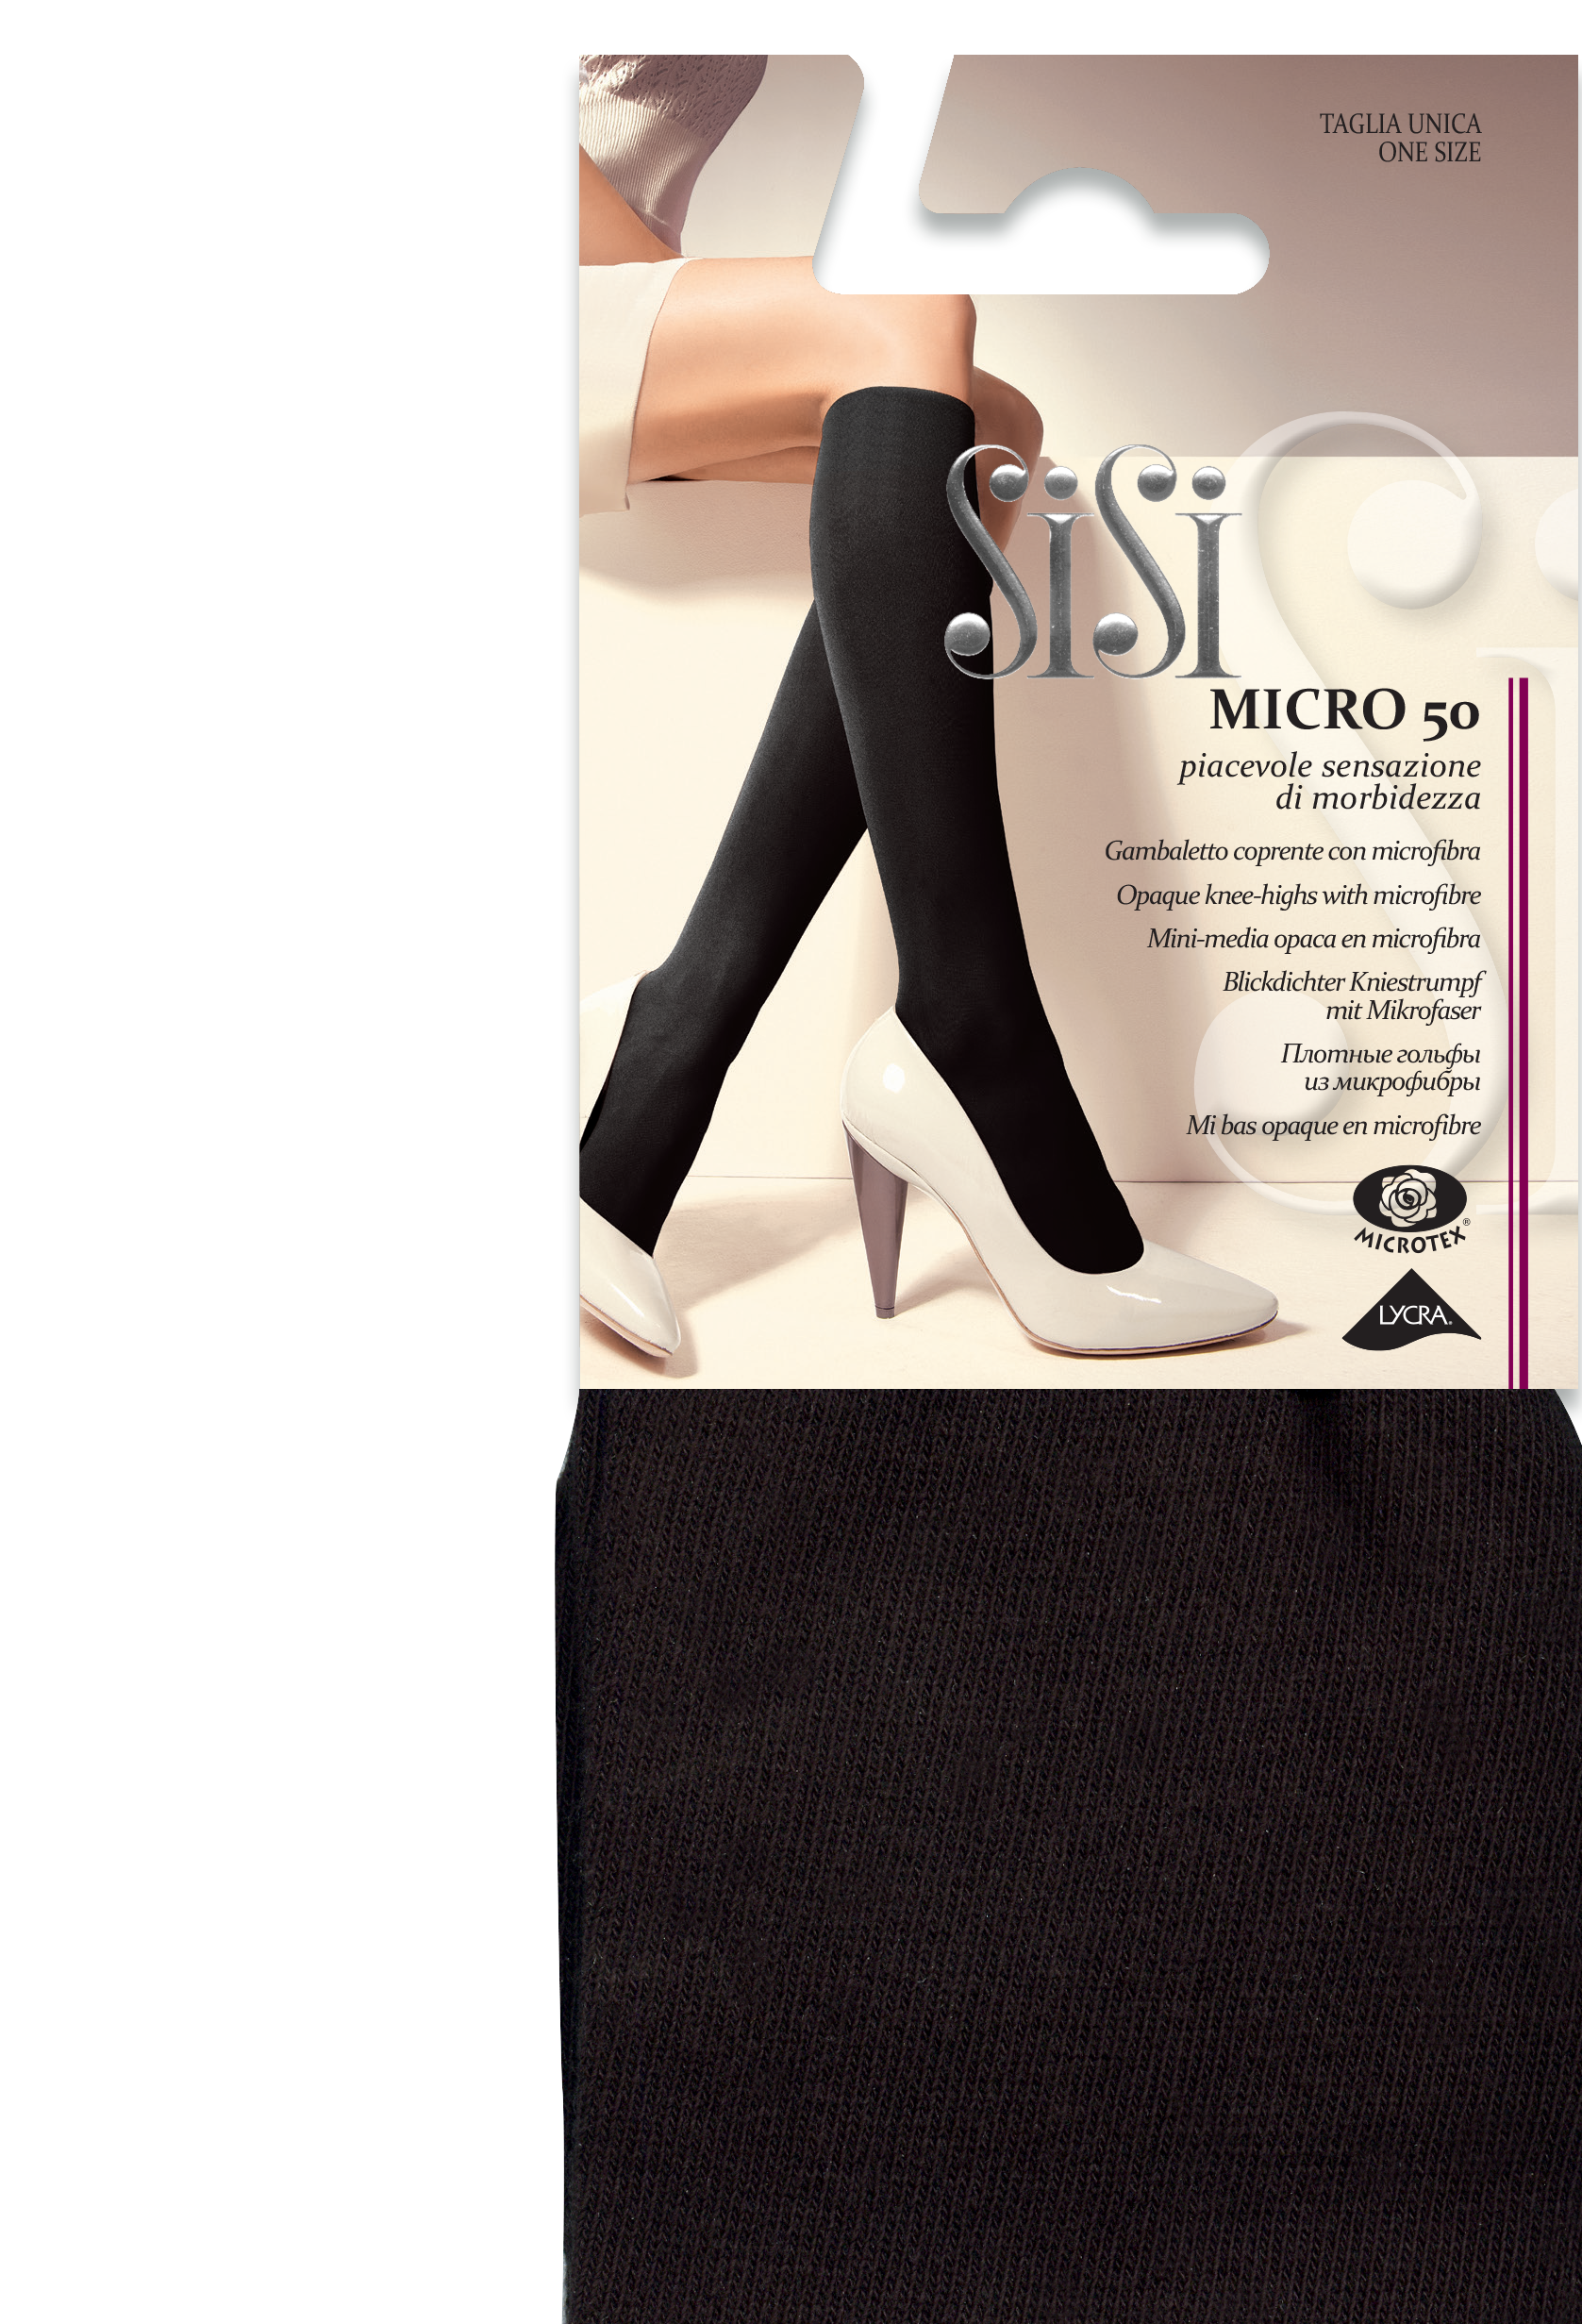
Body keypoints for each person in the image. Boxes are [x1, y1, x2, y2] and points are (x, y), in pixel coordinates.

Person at [574, 56, 1274, 1362]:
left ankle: (662, 1066)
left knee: (984, 441)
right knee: (901, 312)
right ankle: (969, 1025)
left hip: (599, 302)